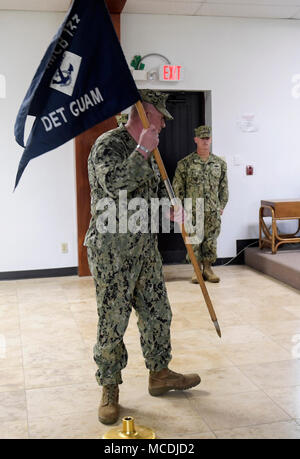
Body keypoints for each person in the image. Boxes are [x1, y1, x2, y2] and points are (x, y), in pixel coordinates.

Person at [84, 89, 201, 426]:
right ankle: (109, 387)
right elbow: (114, 185)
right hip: (111, 253)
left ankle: (159, 373)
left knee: (158, 313)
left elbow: (143, 200)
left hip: (145, 250)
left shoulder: (152, 152)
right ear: (144, 113)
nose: (164, 123)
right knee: (112, 321)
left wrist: (168, 212)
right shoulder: (110, 144)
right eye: (161, 115)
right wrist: (141, 151)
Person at [172, 125, 228, 283]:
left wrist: (221, 205)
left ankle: (208, 269)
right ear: (195, 139)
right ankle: (196, 270)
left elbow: (224, 187)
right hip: (193, 210)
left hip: (212, 209)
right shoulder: (185, 164)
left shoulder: (219, 164)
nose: (205, 141)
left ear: (210, 140)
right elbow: (178, 187)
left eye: (207, 138)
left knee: (210, 240)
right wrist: (180, 208)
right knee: (194, 240)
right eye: (202, 138)